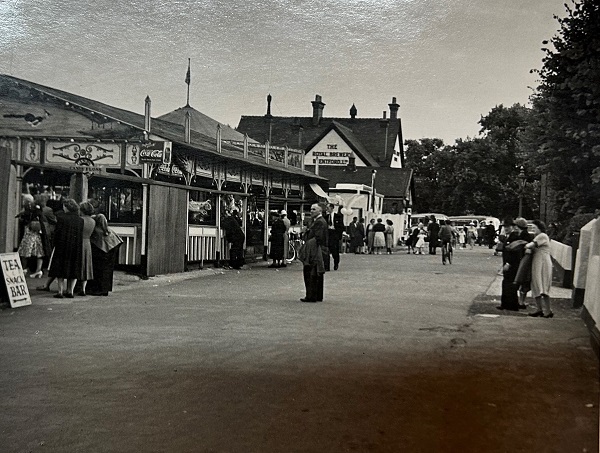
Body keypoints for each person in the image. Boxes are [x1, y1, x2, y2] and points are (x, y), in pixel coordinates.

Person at [48, 198, 84, 298]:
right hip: (75, 247)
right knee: (73, 269)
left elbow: (57, 233)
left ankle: (60, 291)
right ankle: (70, 291)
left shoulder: (61, 217)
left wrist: (54, 244)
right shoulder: (80, 220)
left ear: (67, 207)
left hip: (62, 246)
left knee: (60, 269)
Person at [87, 214, 123, 296]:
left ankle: (97, 290)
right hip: (111, 251)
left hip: (100, 252)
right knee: (107, 272)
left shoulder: (95, 230)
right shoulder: (108, 230)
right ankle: (105, 289)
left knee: (98, 272)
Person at [298, 203, 327, 302]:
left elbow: (317, 237)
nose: (311, 211)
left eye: (314, 209)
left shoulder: (319, 222)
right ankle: (317, 295)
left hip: (313, 250)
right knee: (316, 273)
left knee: (311, 273)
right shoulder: (317, 221)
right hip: (316, 250)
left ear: (320, 211)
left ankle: (311, 295)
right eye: (311, 209)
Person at [526, 220, 554, 318]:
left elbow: (529, 245)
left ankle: (548, 310)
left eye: (534, 228)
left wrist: (525, 245)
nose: (533, 230)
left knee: (543, 285)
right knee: (536, 285)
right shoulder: (537, 237)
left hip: (543, 262)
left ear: (540, 228)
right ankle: (539, 309)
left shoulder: (542, 236)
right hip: (537, 262)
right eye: (532, 228)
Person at [496, 217, 523, 311]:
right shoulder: (508, 236)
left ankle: (511, 305)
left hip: (512, 264)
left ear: (512, 227)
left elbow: (515, 252)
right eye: (505, 226)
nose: (506, 228)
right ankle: (506, 304)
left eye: (507, 226)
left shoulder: (514, 237)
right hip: (507, 263)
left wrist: (508, 263)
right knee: (506, 283)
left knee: (509, 284)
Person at [514, 217, 533, 308]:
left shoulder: (524, 236)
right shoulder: (522, 235)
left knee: (524, 280)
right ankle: (521, 301)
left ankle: (521, 302)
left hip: (524, 261)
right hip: (521, 260)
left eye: (516, 225)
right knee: (523, 281)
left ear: (519, 226)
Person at [78, 201, 96, 296]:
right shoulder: (93, 221)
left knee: (78, 264)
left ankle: (72, 287)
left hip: (79, 242)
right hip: (87, 243)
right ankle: (83, 288)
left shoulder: (80, 220)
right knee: (86, 265)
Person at [325, 203, 344, 270]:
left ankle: (336, 263)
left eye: (328, 207)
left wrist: (338, 235)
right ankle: (327, 265)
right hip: (328, 234)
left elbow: (341, 227)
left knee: (334, 250)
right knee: (326, 250)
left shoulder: (338, 216)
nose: (327, 209)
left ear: (332, 208)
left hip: (334, 235)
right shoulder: (326, 217)